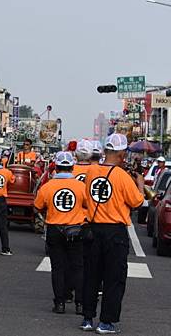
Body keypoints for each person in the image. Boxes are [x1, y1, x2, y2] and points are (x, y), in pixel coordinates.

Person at [80, 133, 144, 334]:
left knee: (91, 275)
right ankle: (106, 322)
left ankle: (87, 318)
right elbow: (136, 202)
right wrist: (140, 184)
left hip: (93, 228)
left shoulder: (91, 171)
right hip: (114, 231)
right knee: (114, 278)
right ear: (121, 153)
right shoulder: (122, 176)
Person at [34, 151, 87, 315]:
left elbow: (37, 206)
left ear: (56, 168)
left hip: (54, 229)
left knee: (58, 268)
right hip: (76, 229)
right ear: (72, 167)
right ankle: (80, 304)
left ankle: (60, 303)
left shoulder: (47, 186)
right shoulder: (81, 186)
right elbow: (89, 205)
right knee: (78, 267)